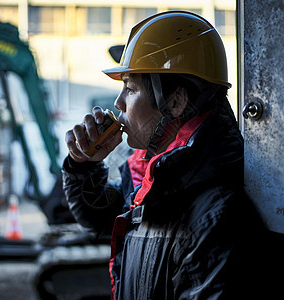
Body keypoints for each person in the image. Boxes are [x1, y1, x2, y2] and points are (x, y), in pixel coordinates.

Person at [62, 11, 259, 299]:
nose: (118, 102)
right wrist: (83, 166)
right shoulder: (153, 177)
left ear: (176, 102)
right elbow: (102, 217)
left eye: (130, 88)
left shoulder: (217, 215)